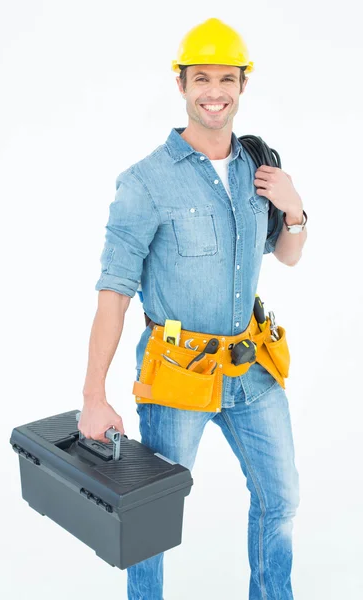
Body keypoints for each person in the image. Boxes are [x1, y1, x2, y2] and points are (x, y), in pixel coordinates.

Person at [78, 17, 307, 600]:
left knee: (280, 501)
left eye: (226, 79)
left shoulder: (258, 170)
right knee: (149, 520)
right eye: (201, 78)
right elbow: (114, 293)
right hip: (178, 376)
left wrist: (295, 209)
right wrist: (94, 396)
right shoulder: (145, 182)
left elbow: (287, 257)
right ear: (181, 84)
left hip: (252, 372)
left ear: (243, 85)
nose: (214, 92)